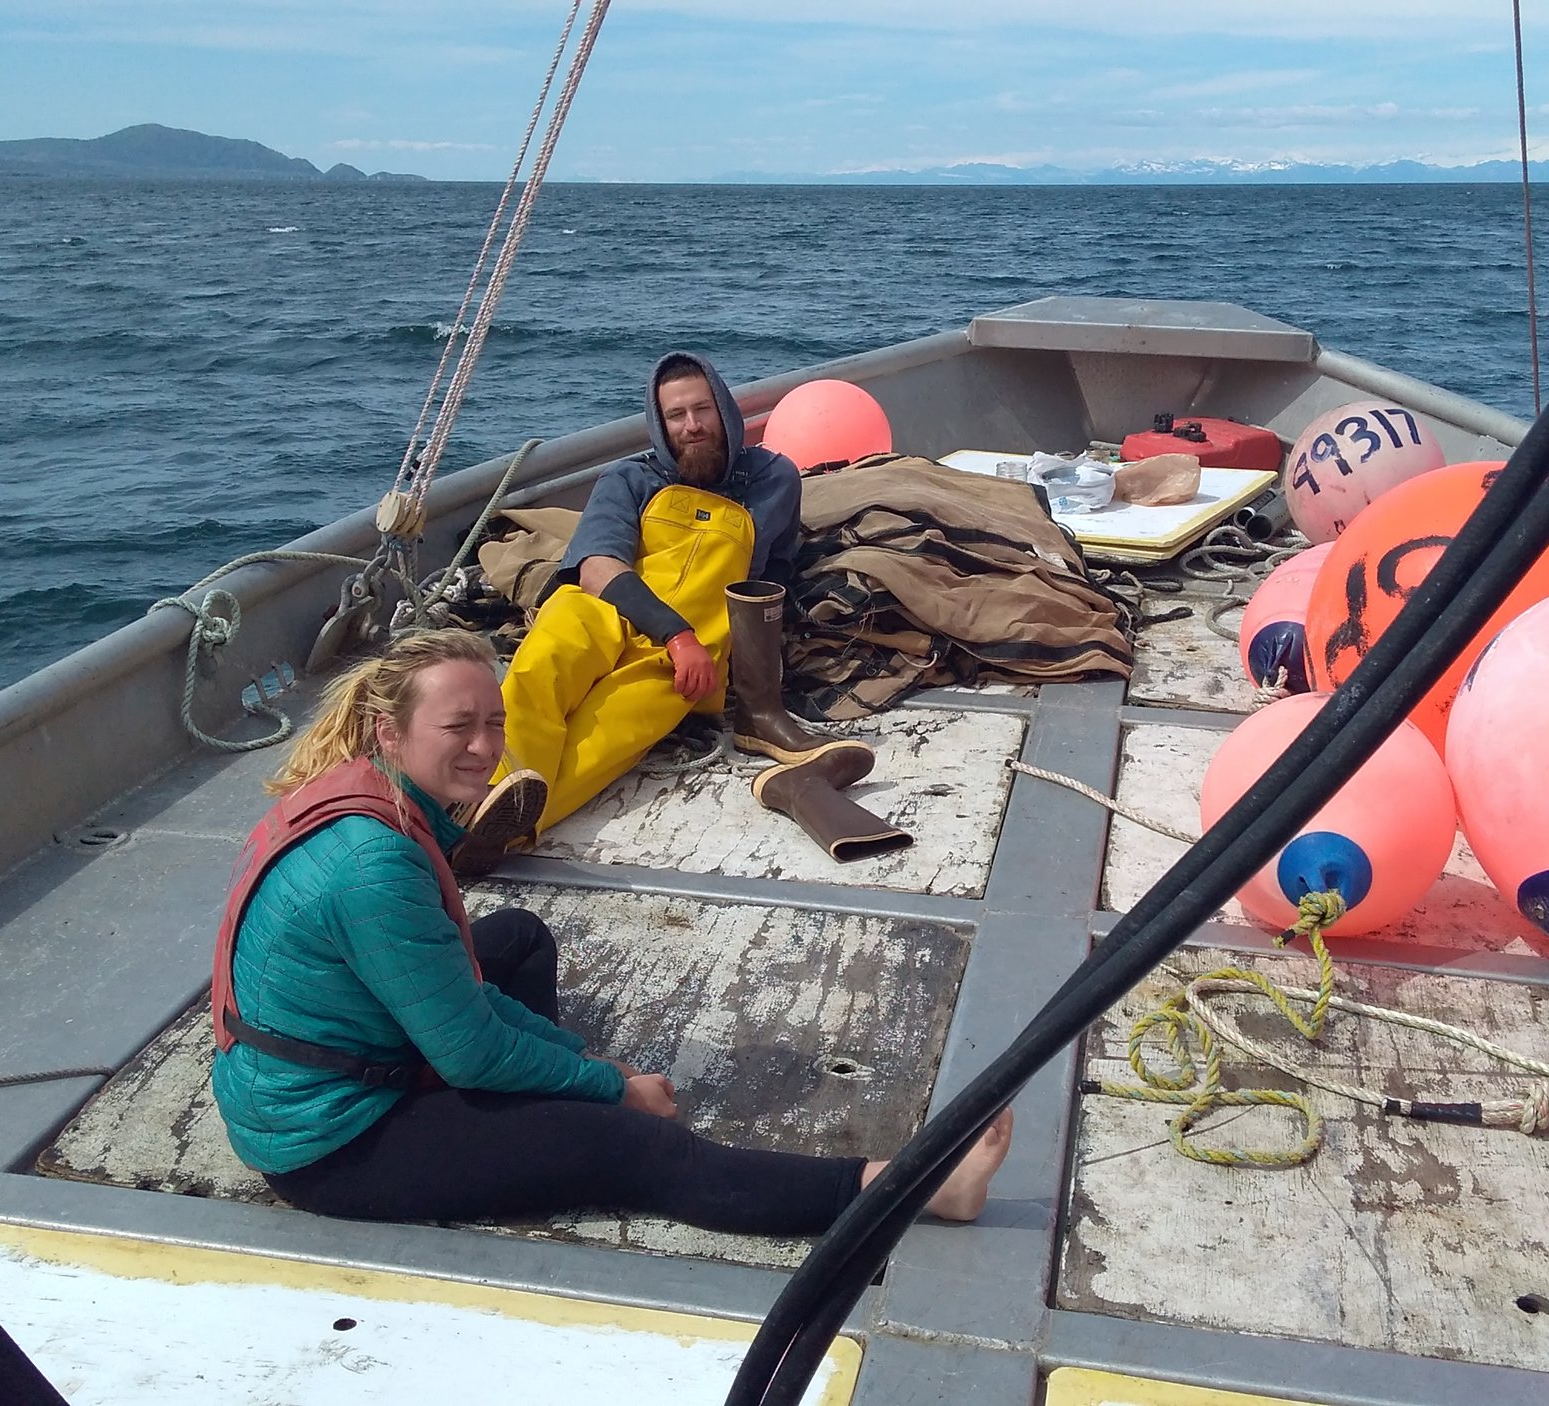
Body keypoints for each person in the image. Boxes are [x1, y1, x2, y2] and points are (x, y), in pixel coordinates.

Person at [208, 628, 1010, 1234]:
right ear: (389, 732)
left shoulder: (360, 794)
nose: (486, 749)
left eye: (495, 721)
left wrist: (568, 1061)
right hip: (330, 1142)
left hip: (335, 1052)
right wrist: (609, 1089)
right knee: (632, 1148)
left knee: (518, 936)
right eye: (458, 727)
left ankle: (530, 1114)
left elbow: (468, 995)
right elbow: (469, 1049)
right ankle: (918, 1188)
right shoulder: (373, 864)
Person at [479, 352, 862, 853]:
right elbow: (596, 567)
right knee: (542, 668)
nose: (692, 426)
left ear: (725, 409)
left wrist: (751, 681)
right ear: (659, 424)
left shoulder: (775, 480)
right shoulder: (628, 479)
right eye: (676, 416)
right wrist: (673, 632)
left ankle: (503, 833)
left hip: (692, 653)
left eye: (702, 410)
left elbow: (772, 579)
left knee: (609, 731)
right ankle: (484, 797)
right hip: (604, 611)